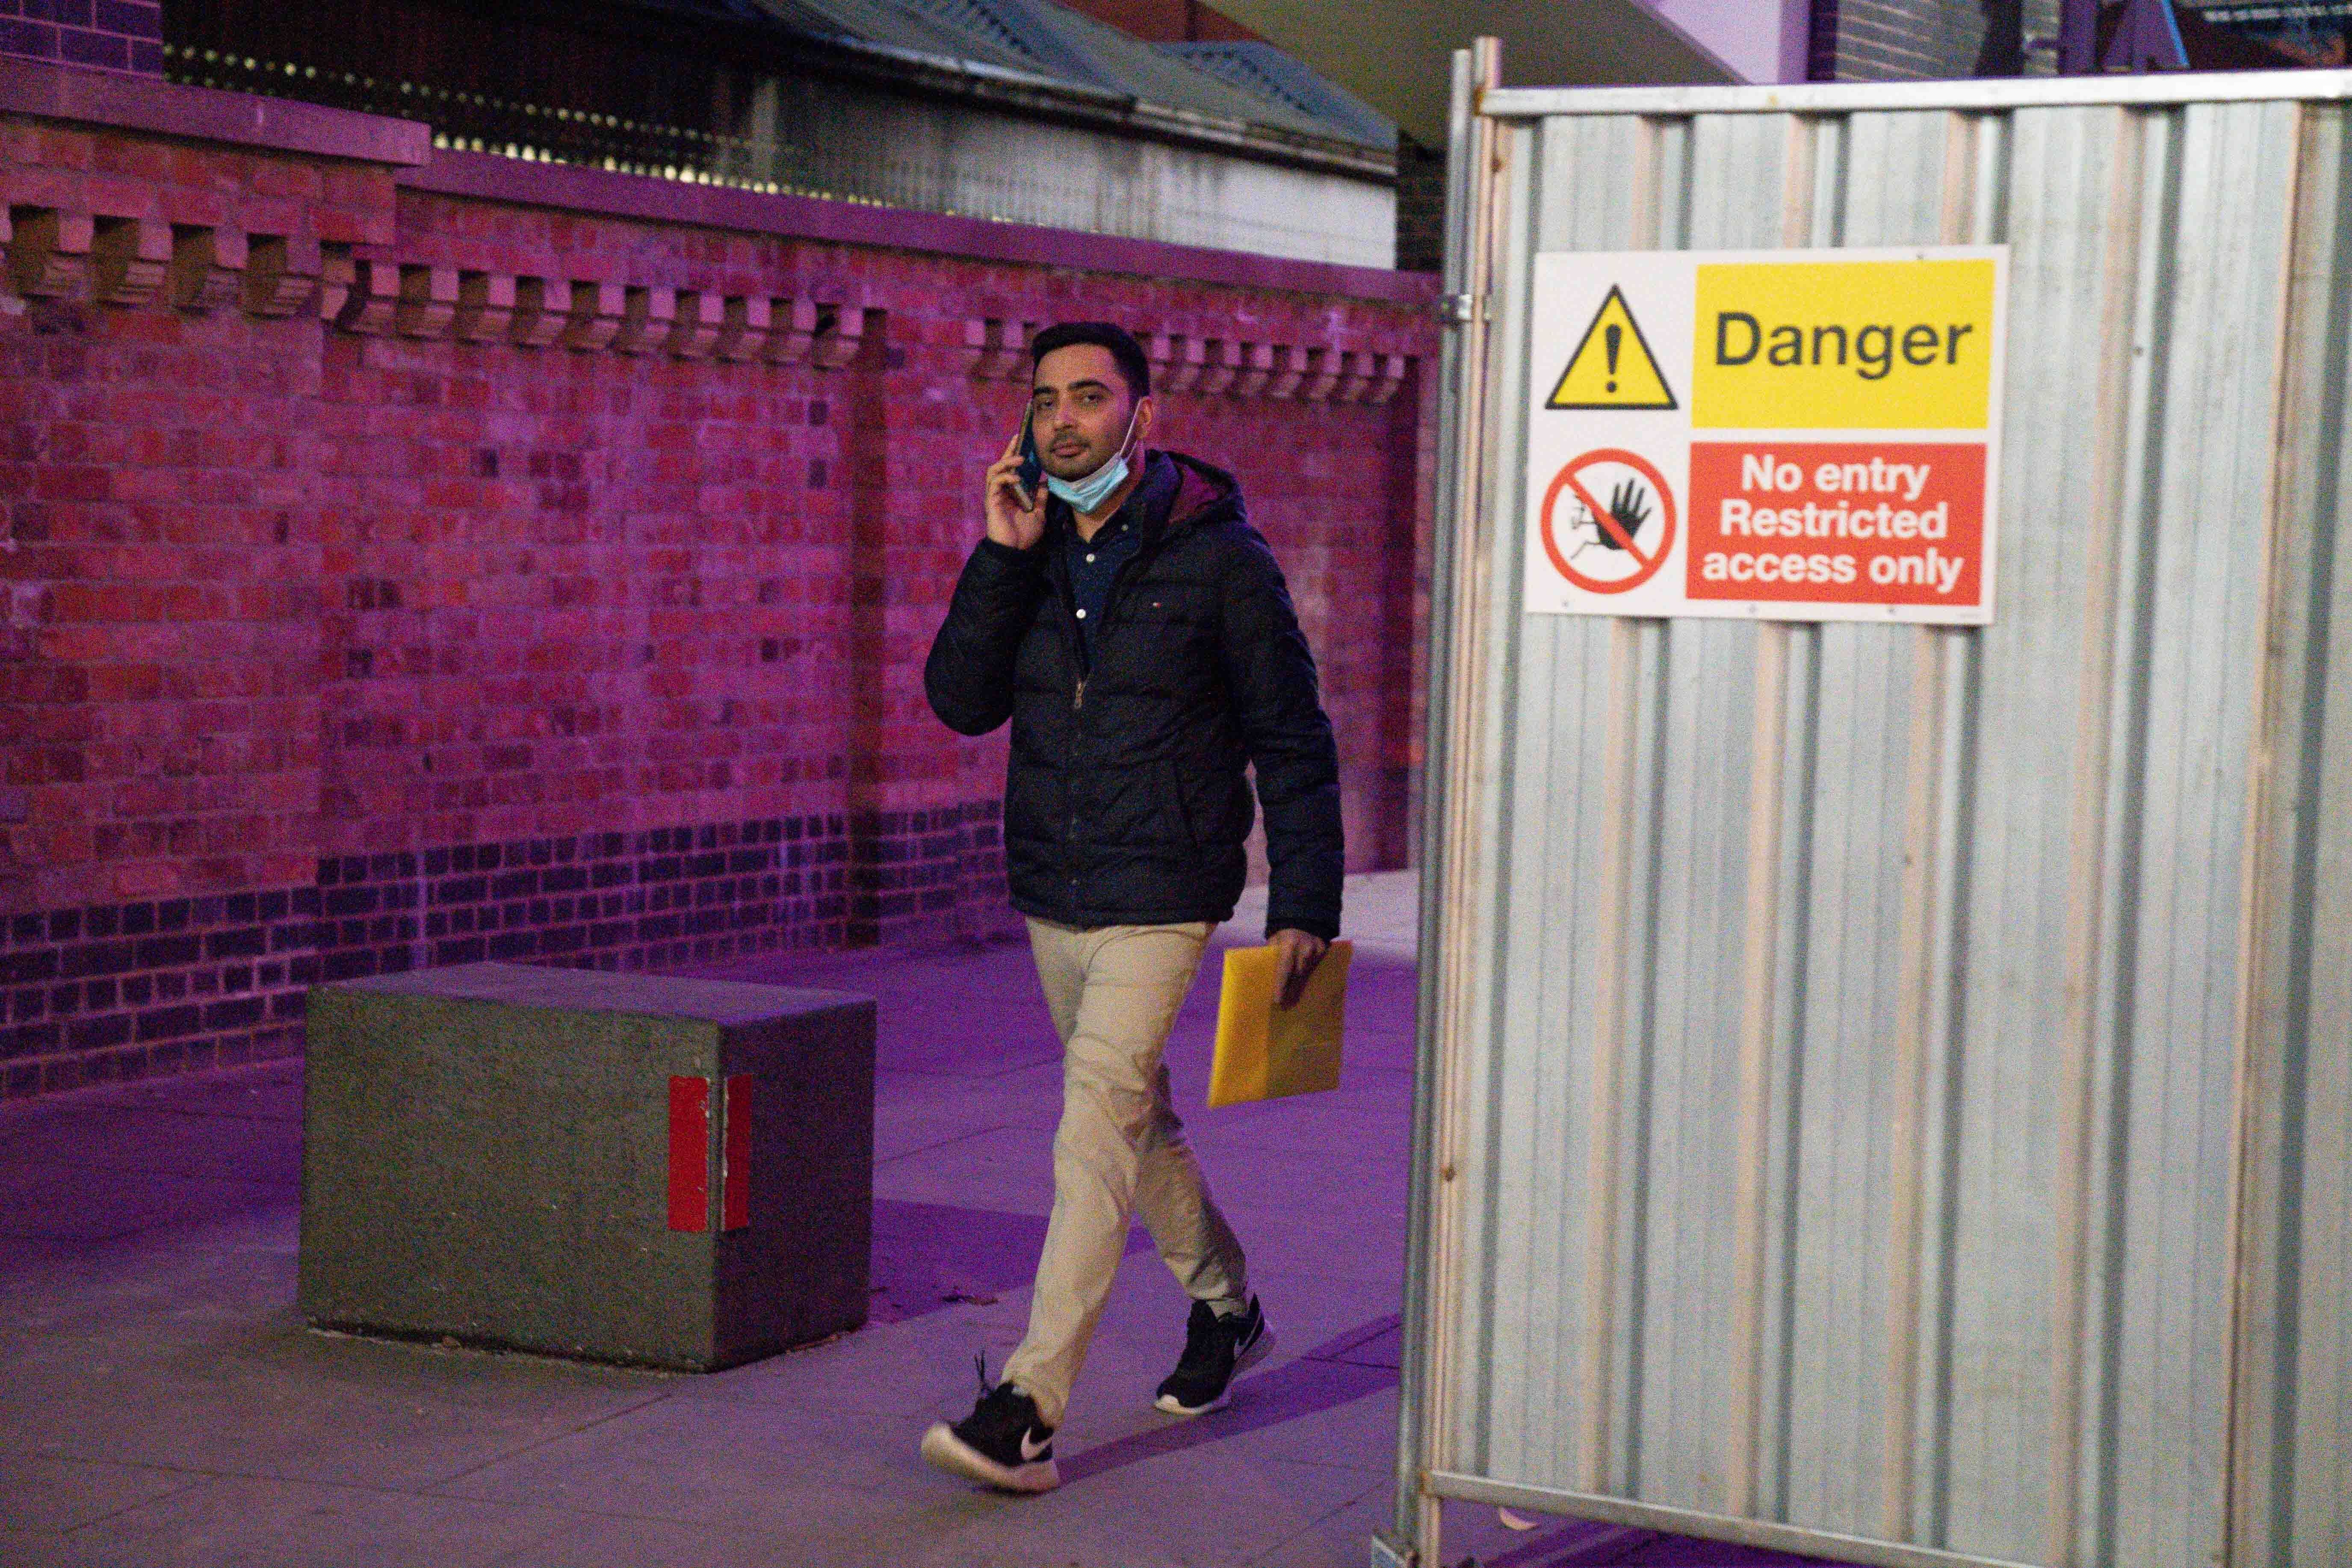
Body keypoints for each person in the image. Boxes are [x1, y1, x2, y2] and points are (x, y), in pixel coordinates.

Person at [917, 321, 1344, 1494]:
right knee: (1134, 1119)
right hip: (1055, 884)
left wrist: (1306, 896)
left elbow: (1291, 734)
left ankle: (1027, 1405)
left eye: (1089, 397)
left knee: (1091, 1126)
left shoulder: (1222, 558)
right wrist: (1000, 554)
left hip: (1166, 886)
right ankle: (1226, 1304)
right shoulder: (1030, 545)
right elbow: (957, 701)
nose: (1064, 419)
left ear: (1140, 415)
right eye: (1046, 400)